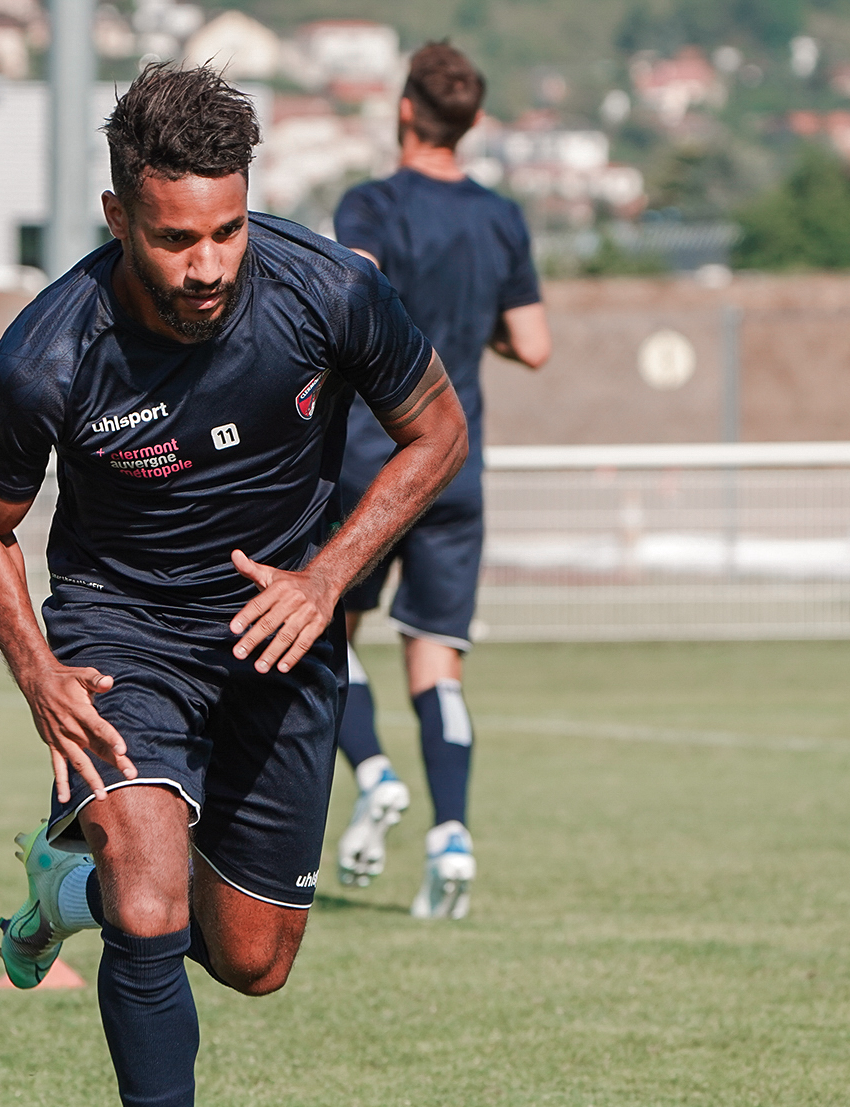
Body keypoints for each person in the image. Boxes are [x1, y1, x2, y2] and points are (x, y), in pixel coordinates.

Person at [0, 64, 467, 1107]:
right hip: (119, 627)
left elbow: (435, 430)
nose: (210, 266)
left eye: (228, 230)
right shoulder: (46, 356)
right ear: (118, 215)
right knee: (149, 891)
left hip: (281, 632)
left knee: (250, 960)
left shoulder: (324, 291)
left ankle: (57, 890)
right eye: (179, 238)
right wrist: (36, 671)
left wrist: (327, 578)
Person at [330, 41, 551, 919]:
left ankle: (374, 772)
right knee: (439, 666)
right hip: (459, 465)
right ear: (476, 123)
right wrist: (474, 330)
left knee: (324, 635)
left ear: (404, 110)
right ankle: (451, 836)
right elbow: (533, 344)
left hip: (372, 454)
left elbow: (355, 302)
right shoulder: (502, 219)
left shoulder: (372, 204)